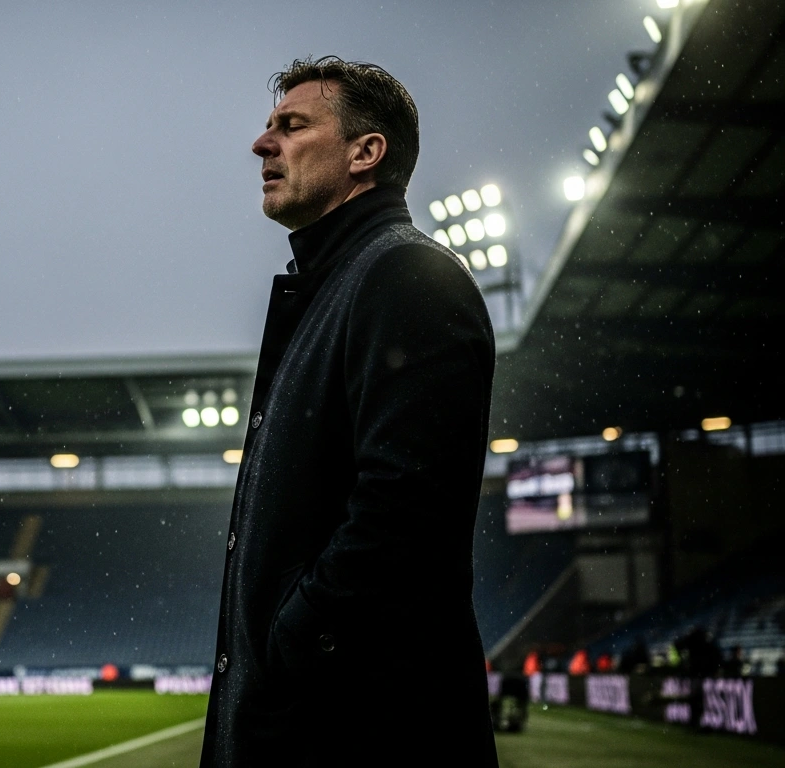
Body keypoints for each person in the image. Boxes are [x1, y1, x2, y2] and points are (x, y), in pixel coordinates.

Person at [200, 56, 497, 767]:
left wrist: (298, 641)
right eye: (269, 127)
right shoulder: (333, 289)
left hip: (353, 732)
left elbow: (404, 509)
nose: (261, 144)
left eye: (291, 126)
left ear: (366, 153)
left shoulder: (407, 276)